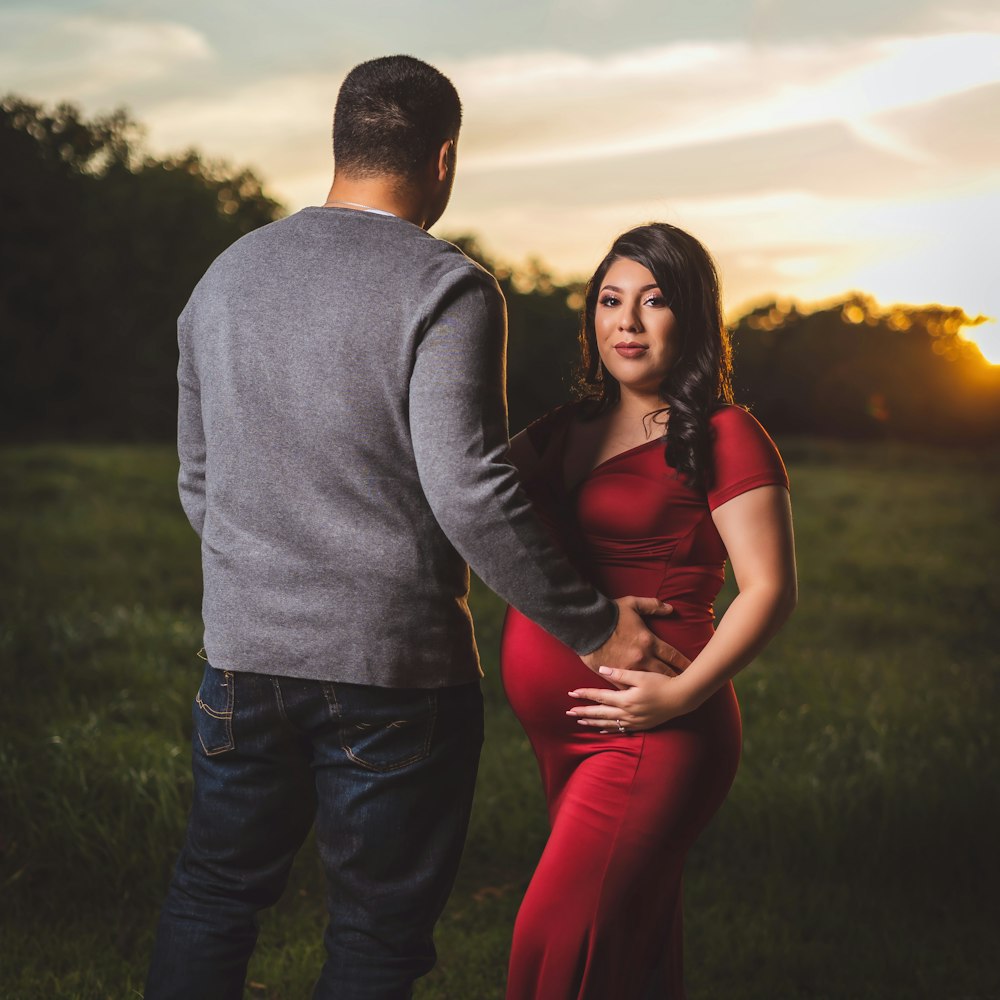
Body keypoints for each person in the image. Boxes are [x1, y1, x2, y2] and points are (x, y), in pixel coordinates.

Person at [145, 56, 687, 1000]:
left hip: (240, 661)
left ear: (342, 144)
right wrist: (599, 628)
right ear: (442, 160)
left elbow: (199, 479)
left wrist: (268, 574)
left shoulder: (225, 277)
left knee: (213, 894)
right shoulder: (449, 287)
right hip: (394, 673)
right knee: (376, 934)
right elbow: (470, 490)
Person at [501, 223, 798, 999]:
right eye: (610, 299)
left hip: (654, 731)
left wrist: (677, 696)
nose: (626, 321)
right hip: (565, 738)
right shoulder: (564, 430)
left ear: (691, 318)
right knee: (628, 956)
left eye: (654, 301)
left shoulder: (725, 435)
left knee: (555, 943)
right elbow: (470, 505)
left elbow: (768, 588)